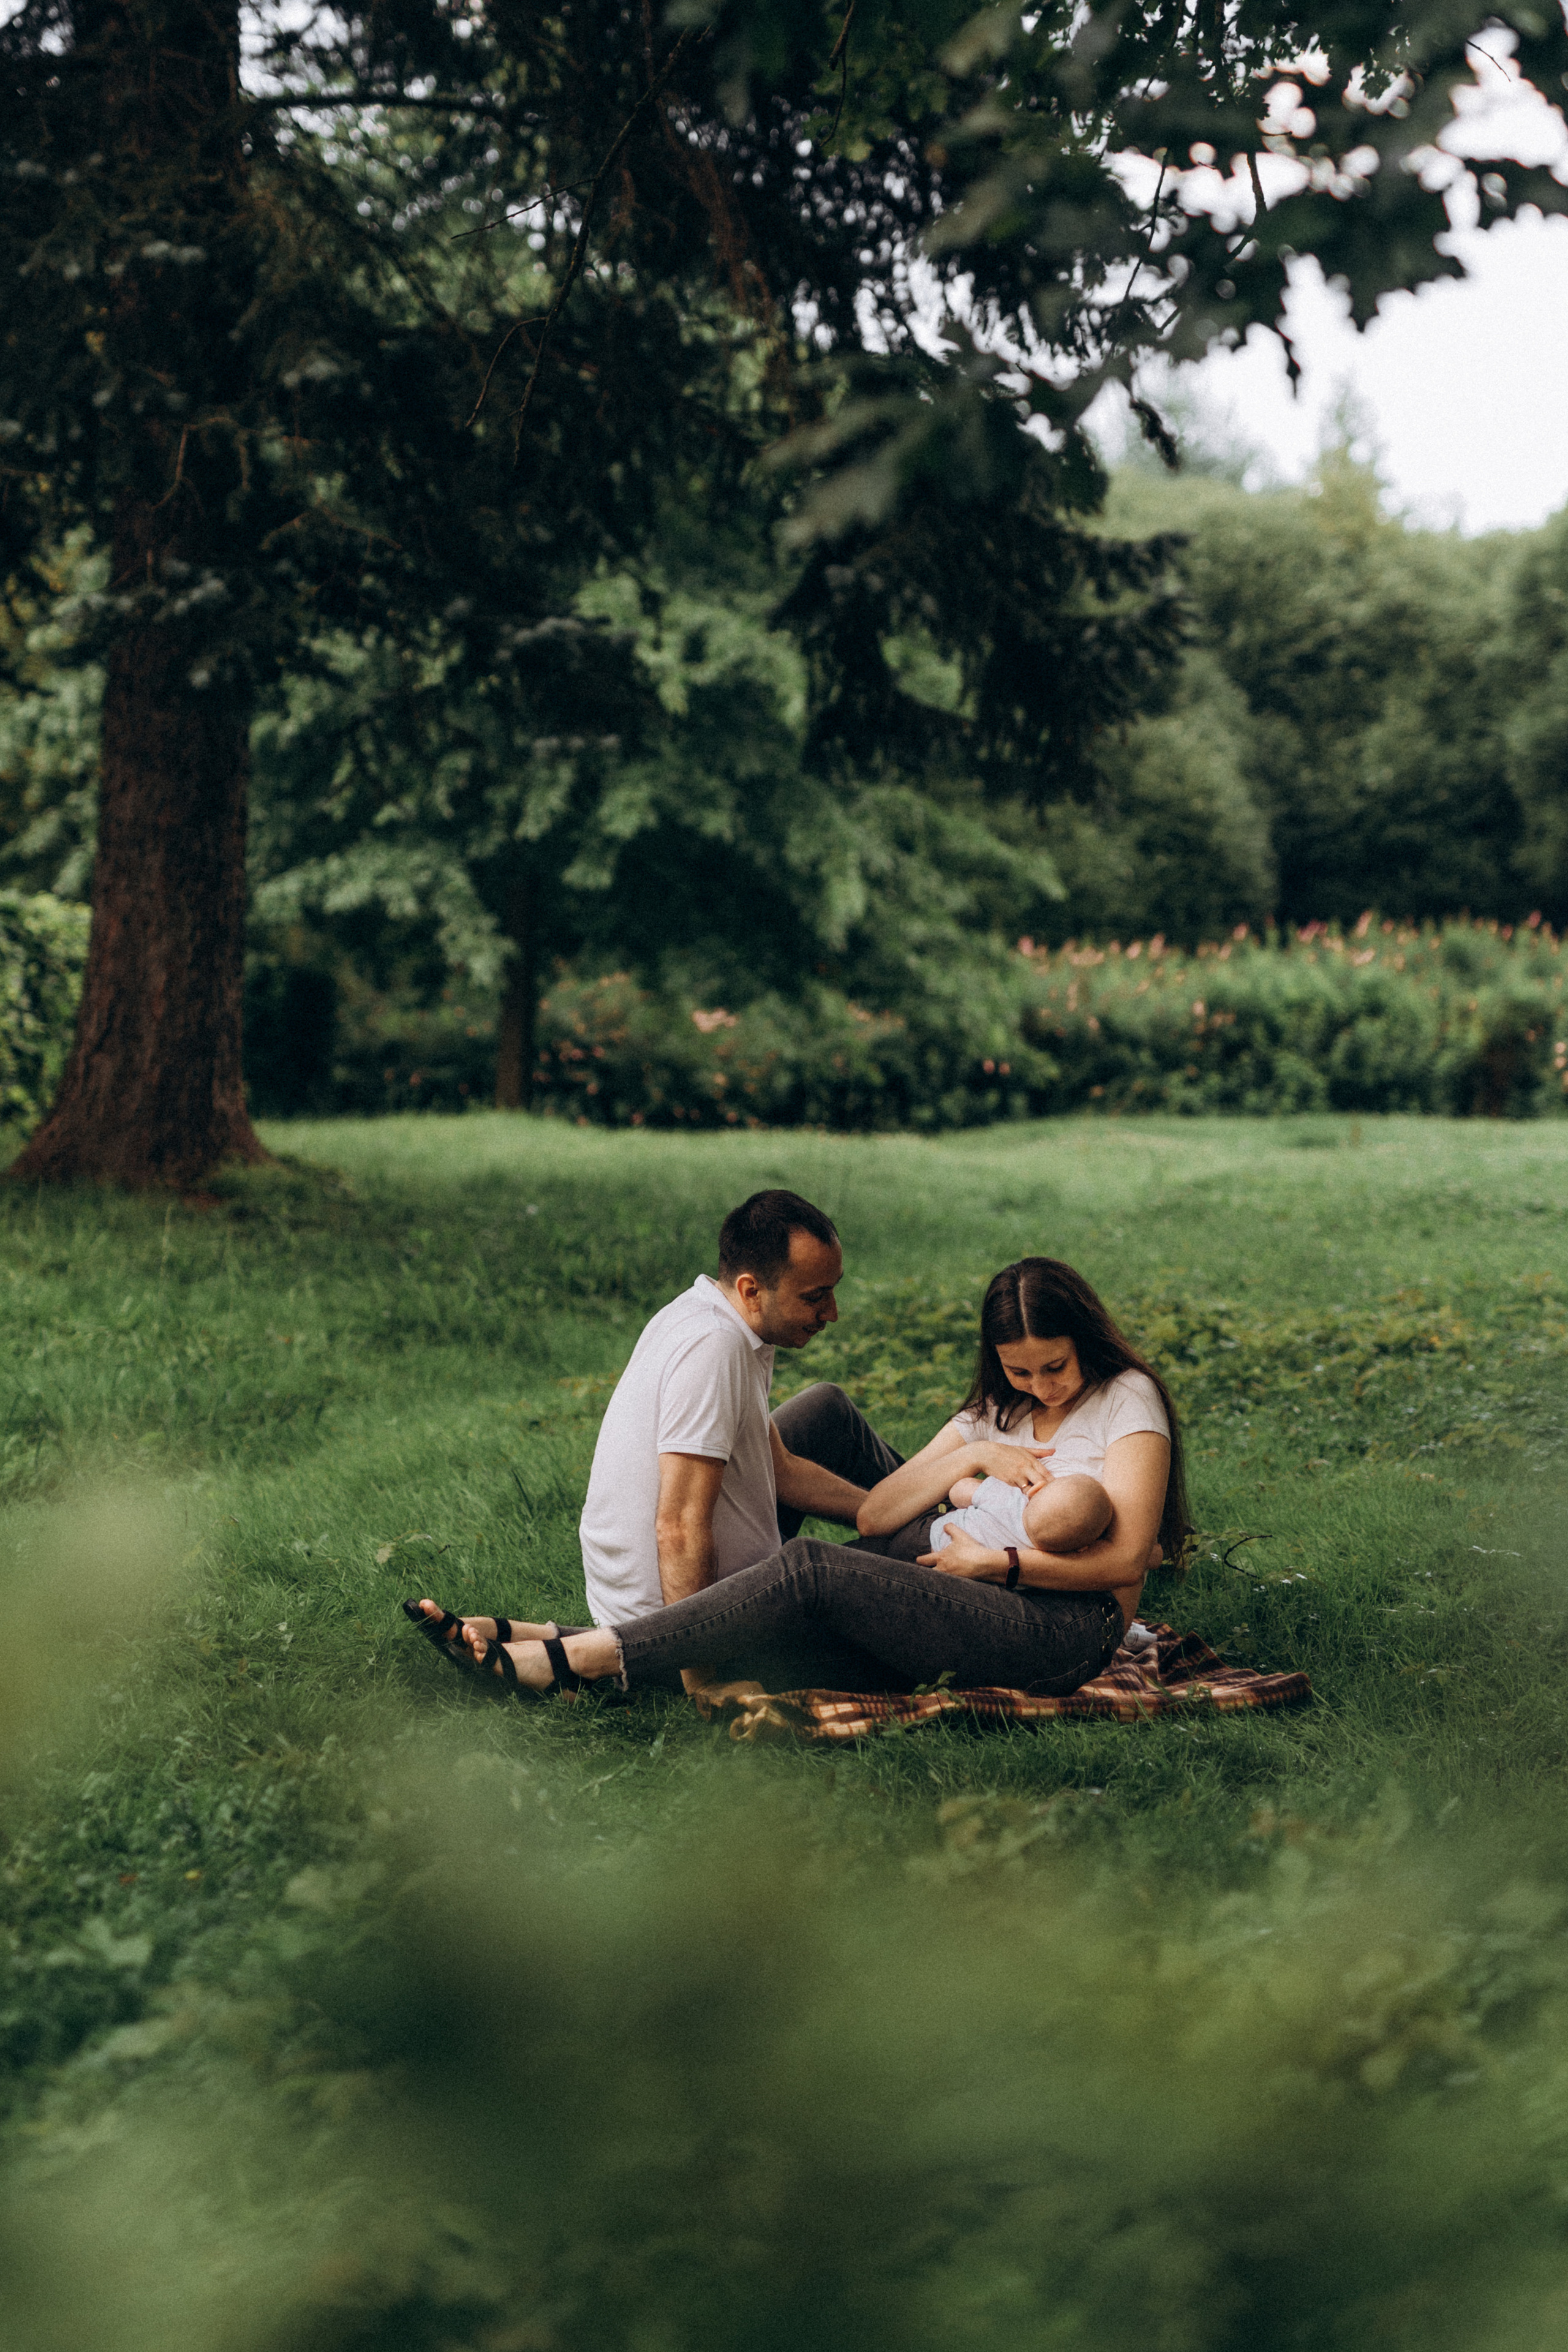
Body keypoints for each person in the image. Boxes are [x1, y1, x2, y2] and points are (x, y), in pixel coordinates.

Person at [407, 1256, 1190, 1703]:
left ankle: (575, 1659)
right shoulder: (998, 1404)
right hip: (969, 1591)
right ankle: (551, 1645)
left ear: (1083, 1341)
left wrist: (1005, 1564)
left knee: (811, 1569)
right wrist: (972, 1454)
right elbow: (882, 1514)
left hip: (1062, 1631)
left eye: (1055, 1367)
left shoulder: (1127, 1400)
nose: (1042, 1386)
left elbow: (1125, 1564)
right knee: (794, 1634)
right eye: (1021, 1371)